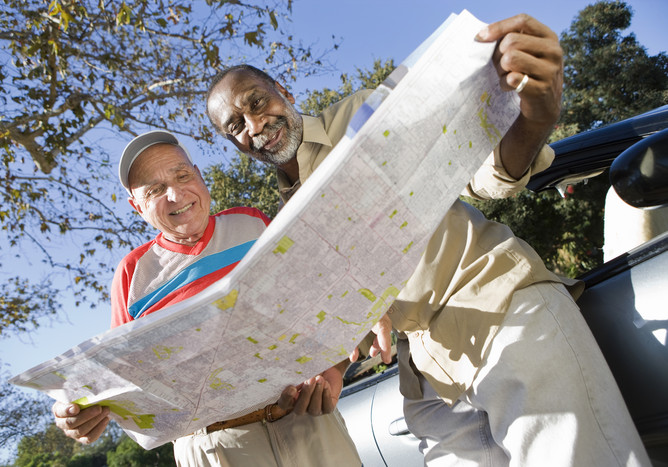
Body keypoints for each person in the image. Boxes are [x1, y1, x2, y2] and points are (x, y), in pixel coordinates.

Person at [205, 14, 651, 466]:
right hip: (426, 377)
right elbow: (349, 310)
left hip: (502, 315)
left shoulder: (364, 114)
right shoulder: (284, 224)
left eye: (256, 103)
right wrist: (334, 366)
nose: (254, 125)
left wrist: (535, 119)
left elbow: (476, 171)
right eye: (235, 127)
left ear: (285, 91)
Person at [52, 130, 362, 466]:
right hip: (215, 449)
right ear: (136, 206)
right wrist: (75, 410)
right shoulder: (132, 275)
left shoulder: (252, 223)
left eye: (182, 176)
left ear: (199, 175)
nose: (175, 194)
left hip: (306, 421)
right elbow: (117, 378)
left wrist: (333, 368)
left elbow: (316, 301)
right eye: (154, 190)